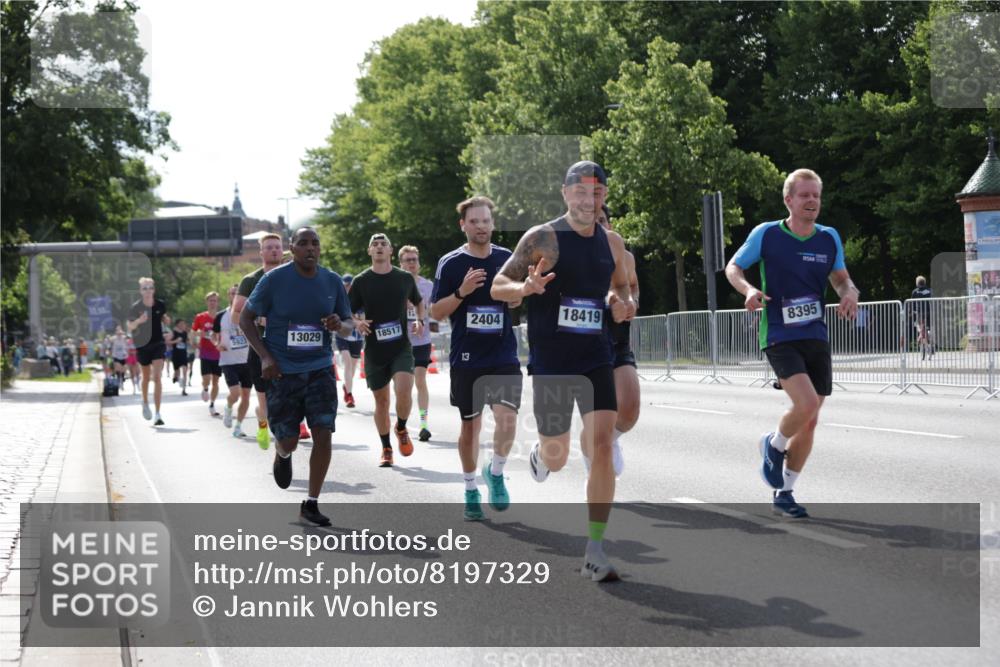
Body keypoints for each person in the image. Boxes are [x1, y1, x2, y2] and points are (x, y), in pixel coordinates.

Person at [491, 161, 635, 582]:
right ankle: (541, 455)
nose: (588, 199)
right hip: (553, 359)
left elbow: (621, 283)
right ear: (565, 193)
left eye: (596, 192)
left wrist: (618, 301)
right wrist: (525, 289)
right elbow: (499, 285)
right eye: (580, 191)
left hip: (596, 354)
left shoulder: (611, 242)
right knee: (557, 453)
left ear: (603, 196)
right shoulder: (544, 237)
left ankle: (594, 549)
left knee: (603, 446)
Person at [725, 168, 859, 519]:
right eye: (804, 195)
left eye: (816, 195)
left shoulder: (828, 238)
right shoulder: (767, 234)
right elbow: (733, 267)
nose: (812, 200)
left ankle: (785, 492)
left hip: (815, 334)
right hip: (780, 334)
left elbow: (842, 279)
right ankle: (774, 444)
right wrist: (749, 289)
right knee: (806, 402)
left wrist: (850, 293)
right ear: (789, 200)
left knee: (811, 419)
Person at [241, 226, 354, 526]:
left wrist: (337, 324)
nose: (309, 248)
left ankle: (311, 503)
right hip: (282, 370)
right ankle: (282, 453)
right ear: (292, 248)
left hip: (319, 368)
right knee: (289, 439)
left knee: (323, 432)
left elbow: (349, 324)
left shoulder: (331, 281)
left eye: (314, 243)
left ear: (320, 249)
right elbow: (245, 318)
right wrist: (265, 356)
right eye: (302, 243)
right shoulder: (274, 280)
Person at [431, 196, 522, 521]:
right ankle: (470, 488)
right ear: (463, 225)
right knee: (471, 428)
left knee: (507, 418)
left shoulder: (507, 258)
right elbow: (436, 312)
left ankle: (495, 473)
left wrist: (516, 297)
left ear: (492, 224)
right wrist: (461, 293)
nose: (481, 226)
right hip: (467, 358)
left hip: (503, 354)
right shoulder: (451, 263)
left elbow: (516, 297)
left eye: (486, 221)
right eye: (474, 222)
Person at [349, 233, 424, 468]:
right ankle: (386, 448)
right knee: (381, 402)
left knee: (404, 389)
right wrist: (357, 323)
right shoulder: (362, 281)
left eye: (384, 244)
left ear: (391, 251)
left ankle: (401, 427)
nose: (379, 247)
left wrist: (420, 320)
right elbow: (345, 311)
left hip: (400, 346)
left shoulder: (404, 278)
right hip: (374, 349)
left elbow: (419, 301)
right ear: (369, 251)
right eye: (375, 245)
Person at [592, 204, 639, 477]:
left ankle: (610, 439)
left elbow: (631, 285)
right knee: (598, 413)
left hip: (618, 338)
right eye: (592, 221)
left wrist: (632, 302)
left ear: (610, 225)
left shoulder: (625, 257)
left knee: (630, 409)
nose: (598, 226)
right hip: (584, 342)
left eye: (603, 220)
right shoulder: (572, 256)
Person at [232, 232, 285, 449]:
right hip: (260, 347)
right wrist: (259, 319)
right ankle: (262, 422)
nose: (274, 250)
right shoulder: (251, 280)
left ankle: (284, 433)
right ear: (261, 252)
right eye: (269, 247)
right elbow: (236, 315)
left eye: (278, 247)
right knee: (264, 401)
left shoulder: (293, 276)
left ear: (283, 251)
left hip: (287, 346)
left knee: (287, 396)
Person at [399, 245, 436, 441]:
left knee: (420, 380)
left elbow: (434, 311)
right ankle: (402, 424)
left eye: (415, 259)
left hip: (422, 341)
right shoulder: (394, 285)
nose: (412, 263)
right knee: (404, 386)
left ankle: (423, 424)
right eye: (408, 260)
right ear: (401, 264)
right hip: (400, 343)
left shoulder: (428, 286)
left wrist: (422, 316)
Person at [126, 277, 170, 425]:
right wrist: (139, 321)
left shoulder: (160, 304)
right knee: (145, 378)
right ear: (140, 291)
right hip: (142, 345)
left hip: (158, 343)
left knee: (157, 377)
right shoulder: (135, 307)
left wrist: (166, 321)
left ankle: (158, 414)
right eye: (144, 288)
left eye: (150, 288)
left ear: (154, 290)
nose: (147, 291)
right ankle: (145, 402)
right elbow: (130, 327)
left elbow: (162, 316)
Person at [214, 285, 252, 438]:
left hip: (247, 360)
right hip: (228, 361)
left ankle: (239, 426)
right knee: (235, 394)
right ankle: (229, 407)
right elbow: (213, 335)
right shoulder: (220, 316)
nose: (235, 295)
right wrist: (217, 345)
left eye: (238, 293)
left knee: (246, 396)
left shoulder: (250, 314)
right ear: (228, 296)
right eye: (232, 293)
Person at [193, 292, 223, 416]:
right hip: (205, 352)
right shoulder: (200, 317)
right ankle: (205, 388)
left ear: (218, 302)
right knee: (206, 379)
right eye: (210, 300)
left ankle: (212, 404)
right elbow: (193, 331)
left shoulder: (221, 317)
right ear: (207, 302)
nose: (213, 302)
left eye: (215, 300)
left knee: (216, 381)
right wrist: (196, 338)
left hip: (218, 353)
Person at [334, 274, 362, 409]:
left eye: (350, 285)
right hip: (342, 336)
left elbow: (364, 318)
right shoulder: (339, 299)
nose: (348, 287)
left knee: (353, 367)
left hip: (357, 337)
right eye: (345, 285)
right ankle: (350, 395)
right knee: (347, 363)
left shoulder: (360, 298)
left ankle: (347, 386)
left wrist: (358, 320)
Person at [910, 275, 934, 359]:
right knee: (929, 327)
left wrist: (912, 312)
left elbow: (912, 304)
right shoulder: (930, 290)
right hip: (929, 312)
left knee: (920, 328)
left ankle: (922, 337)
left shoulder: (915, 292)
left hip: (920, 313)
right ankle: (930, 335)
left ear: (917, 283)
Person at [170, 319, 190, 395]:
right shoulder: (173, 333)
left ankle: (184, 389)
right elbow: (167, 342)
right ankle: (176, 378)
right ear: (177, 324)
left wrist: (190, 342)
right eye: (181, 324)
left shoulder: (185, 333)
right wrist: (175, 341)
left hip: (184, 354)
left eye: (184, 324)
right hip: (176, 354)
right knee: (177, 371)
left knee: (185, 371)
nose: (183, 325)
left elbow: (187, 342)